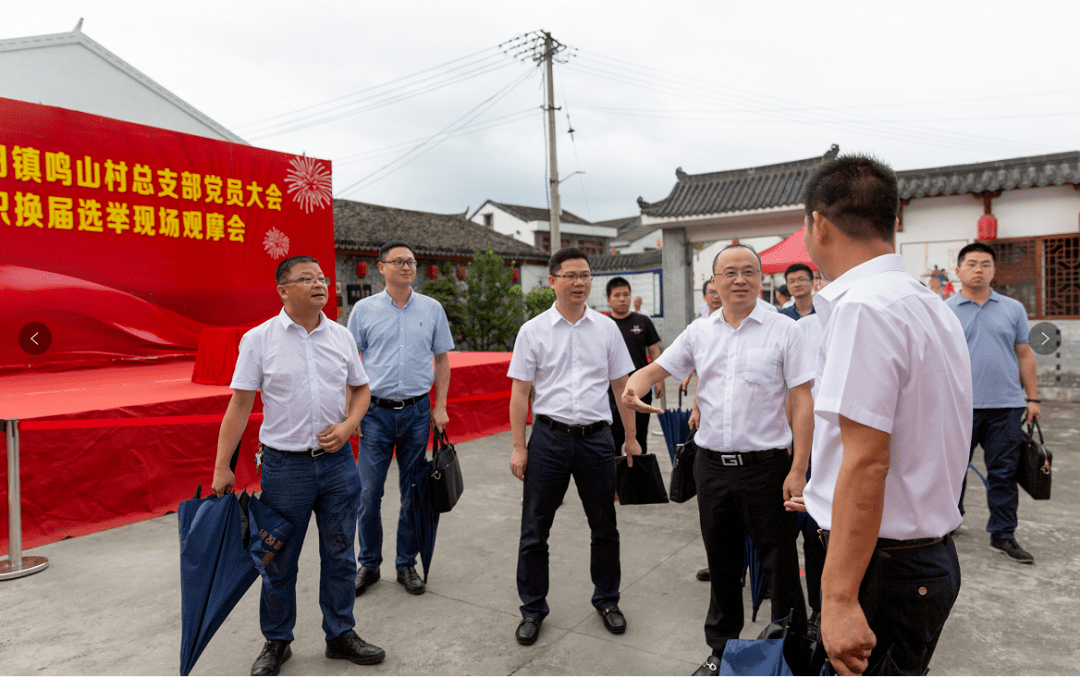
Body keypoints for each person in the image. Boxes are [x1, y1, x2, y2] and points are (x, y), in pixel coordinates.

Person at [792, 153, 971, 675]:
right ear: (893, 219)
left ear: (818, 224)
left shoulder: (863, 308)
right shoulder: (927, 302)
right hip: (914, 559)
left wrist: (841, 598)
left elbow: (868, 461)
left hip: (882, 568)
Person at [624, 243, 812, 674]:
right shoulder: (699, 332)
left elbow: (803, 402)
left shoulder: (785, 331)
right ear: (714, 282)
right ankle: (723, 652)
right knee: (722, 564)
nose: (739, 279)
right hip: (711, 467)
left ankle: (792, 654)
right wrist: (633, 386)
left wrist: (799, 468)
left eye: (749, 271)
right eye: (729, 272)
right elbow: (654, 371)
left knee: (780, 564)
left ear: (763, 278)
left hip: (768, 468)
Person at [211, 255, 385, 675]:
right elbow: (240, 404)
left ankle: (340, 633)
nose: (320, 284)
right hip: (284, 468)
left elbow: (361, 391)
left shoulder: (341, 337)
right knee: (278, 560)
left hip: (338, 464)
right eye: (306, 279)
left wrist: (348, 426)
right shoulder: (259, 339)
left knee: (341, 554)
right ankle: (276, 641)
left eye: (322, 278)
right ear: (283, 290)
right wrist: (222, 466)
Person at [507, 248, 642, 646]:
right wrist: (519, 446)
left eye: (585, 275)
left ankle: (607, 600)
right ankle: (532, 609)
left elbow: (623, 387)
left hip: (597, 440)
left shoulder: (606, 329)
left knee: (604, 526)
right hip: (548, 438)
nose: (580, 282)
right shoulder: (533, 330)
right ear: (552, 281)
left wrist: (631, 438)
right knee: (534, 529)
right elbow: (520, 392)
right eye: (570, 275)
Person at [347, 240, 454, 597]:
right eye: (399, 262)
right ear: (381, 267)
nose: (407, 267)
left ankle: (406, 563)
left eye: (411, 262)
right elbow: (350, 365)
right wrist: (353, 413)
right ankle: (369, 563)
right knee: (367, 493)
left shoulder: (432, 308)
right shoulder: (363, 310)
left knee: (412, 491)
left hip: (417, 412)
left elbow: (442, 359)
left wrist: (439, 406)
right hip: (375, 413)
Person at [948, 241, 1041, 564]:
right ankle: (947, 521)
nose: (978, 269)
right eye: (971, 263)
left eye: (985, 264)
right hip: (959, 406)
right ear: (958, 270)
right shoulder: (944, 311)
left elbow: (1024, 353)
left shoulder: (1012, 308)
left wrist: (1032, 397)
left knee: (1004, 472)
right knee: (952, 470)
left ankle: (1003, 534)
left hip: (1006, 406)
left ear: (994, 271)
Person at [605, 276, 664, 455]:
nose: (622, 299)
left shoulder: (643, 321)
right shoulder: (604, 325)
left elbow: (654, 351)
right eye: (616, 295)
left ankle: (638, 477)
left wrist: (659, 381)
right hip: (610, 393)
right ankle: (616, 479)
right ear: (608, 300)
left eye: (625, 294)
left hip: (641, 390)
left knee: (639, 437)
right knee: (613, 439)